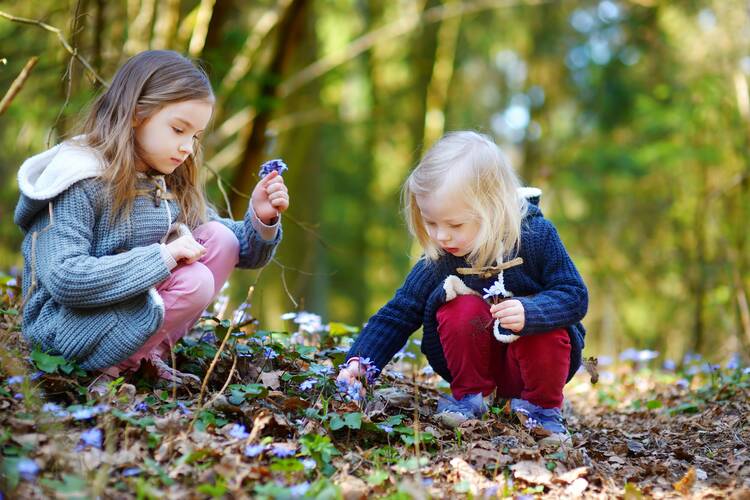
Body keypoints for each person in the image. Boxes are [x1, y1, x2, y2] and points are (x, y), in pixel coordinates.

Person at [14, 50, 289, 392]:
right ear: (136, 114)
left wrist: (261, 217)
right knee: (194, 280)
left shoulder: (164, 178)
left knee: (220, 238)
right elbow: (65, 277)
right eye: (178, 129)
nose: (188, 147)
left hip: (114, 319)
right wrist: (163, 258)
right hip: (64, 329)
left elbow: (240, 251)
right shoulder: (79, 179)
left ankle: (142, 359)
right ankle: (105, 370)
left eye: (196, 136)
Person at [337, 131, 587, 445]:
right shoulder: (444, 257)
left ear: (492, 208)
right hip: (476, 366)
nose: (442, 236)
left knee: (546, 326)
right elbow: (398, 314)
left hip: (534, 369)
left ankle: (542, 412)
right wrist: (360, 364)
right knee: (458, 306)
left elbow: (574, 294)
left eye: (455, 225)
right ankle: (471, 398)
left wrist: (532, 311)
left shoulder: (536, 237)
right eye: (431, 223)